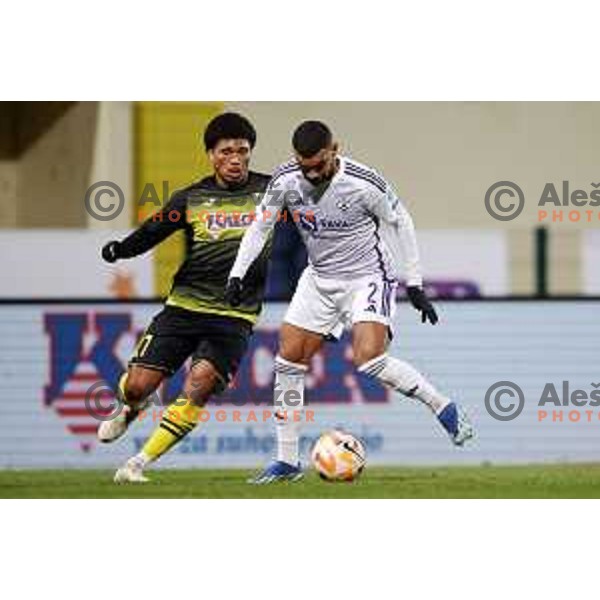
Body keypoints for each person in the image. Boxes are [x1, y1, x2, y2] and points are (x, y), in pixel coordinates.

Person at [225, 120, 475, 484]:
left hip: (367, 277)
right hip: (319, 278)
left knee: (369, 358)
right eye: (304, 165)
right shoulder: (285, 180)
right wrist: (237, 273)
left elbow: (401, 221)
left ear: (335, 150)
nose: (311, 174)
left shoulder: (363, 182)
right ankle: (287, 461)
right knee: (288, 360)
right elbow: (260, 226)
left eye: (318, 165)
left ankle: (443, 407)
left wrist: (415, 282)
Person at [98, 112, 272, 483]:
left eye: (243, 151)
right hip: (183, 309)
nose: (236, 158)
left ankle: (137, 464)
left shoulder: (272, 192)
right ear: (211, 154)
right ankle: (131, 407)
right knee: (137, 386)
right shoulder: (191, 197)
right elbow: (152, 232)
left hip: (234, 316)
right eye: (227, 151)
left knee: (199, 385)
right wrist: (120, 250)